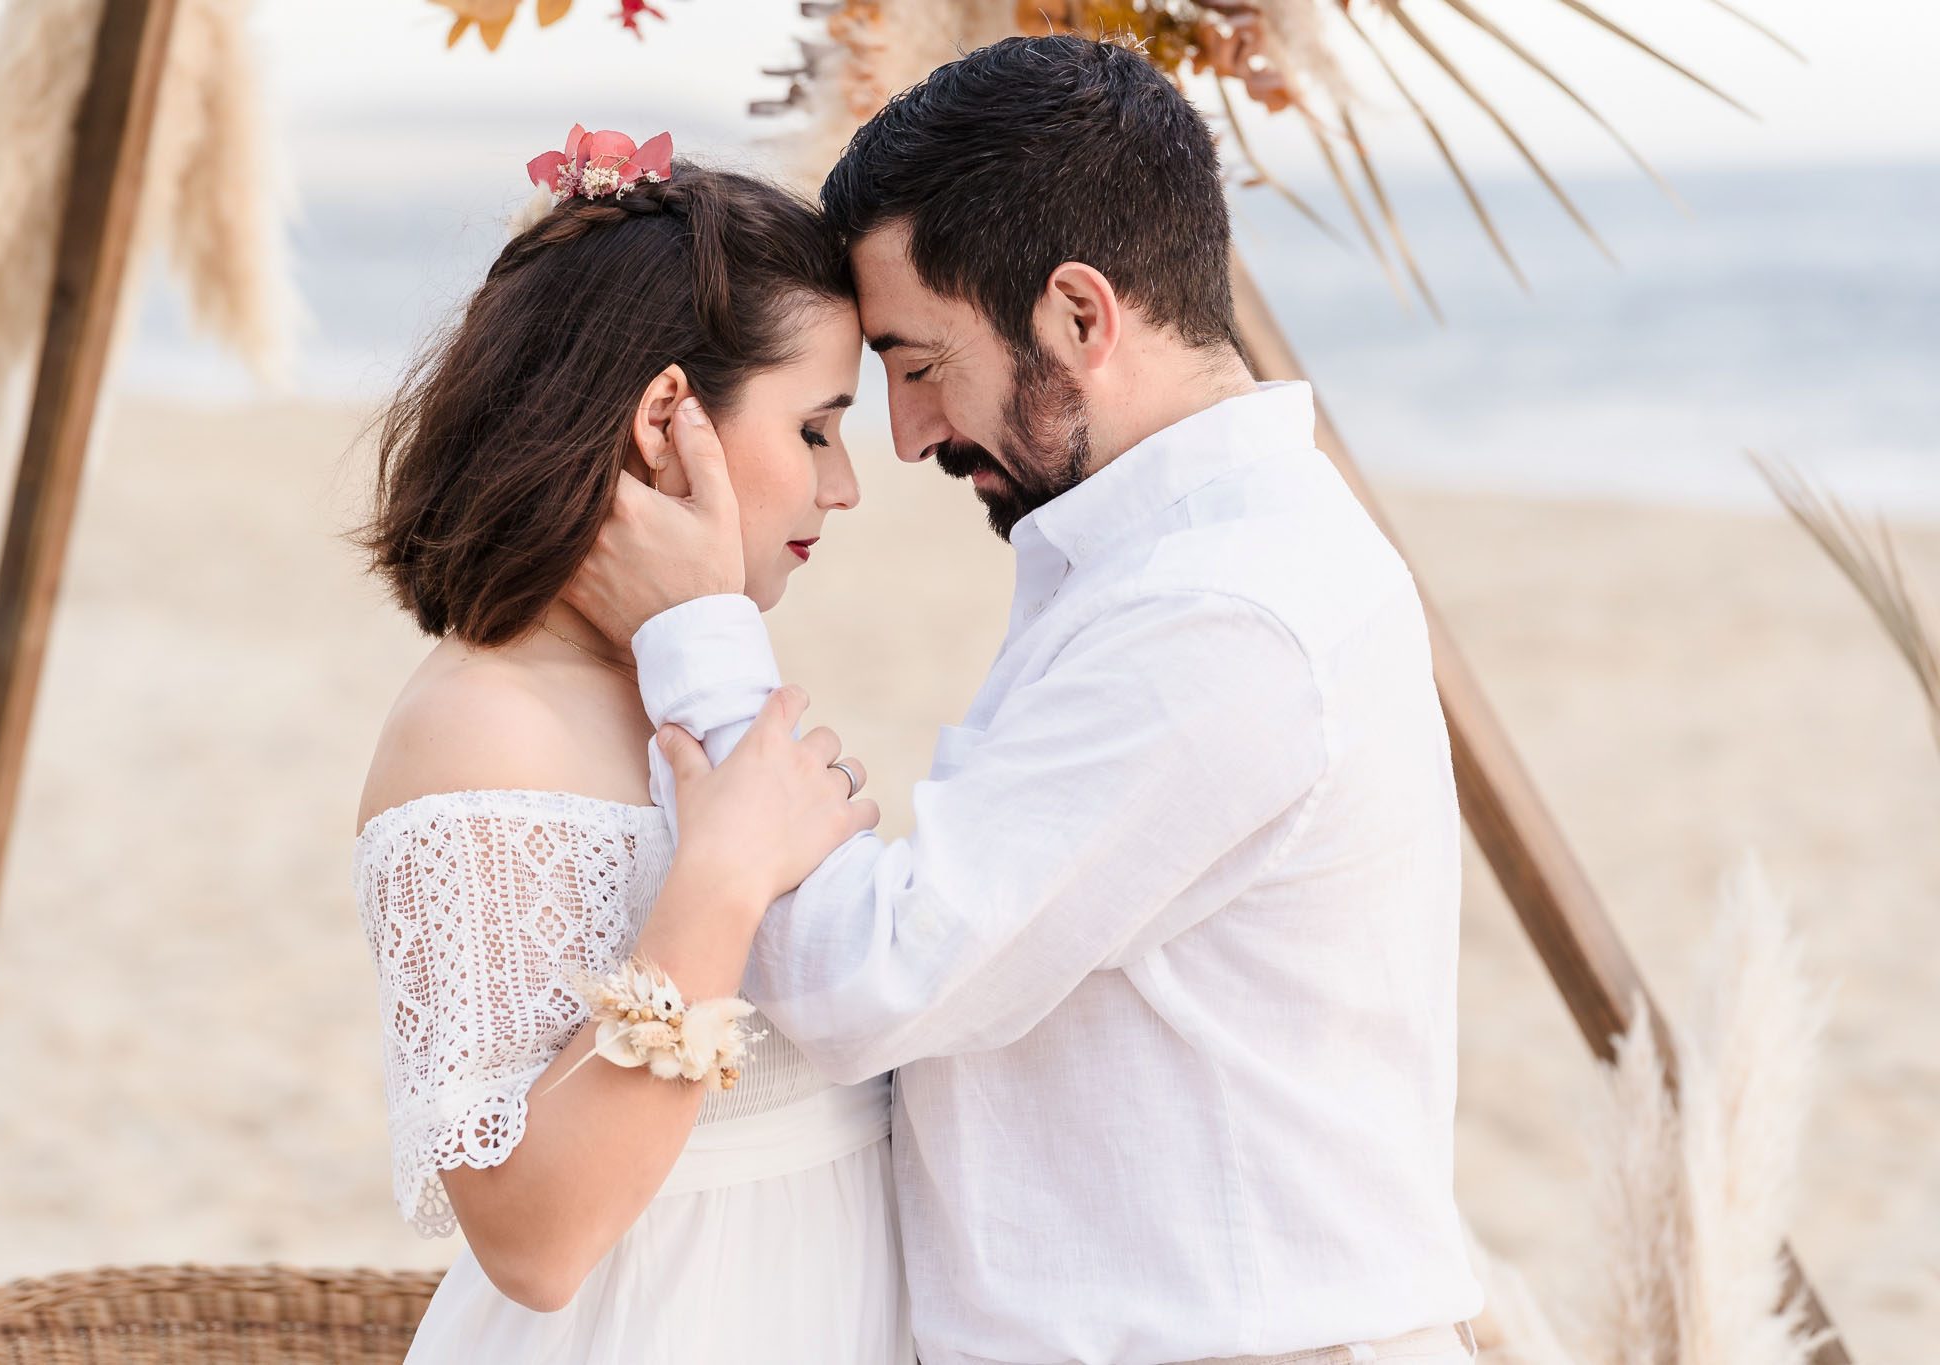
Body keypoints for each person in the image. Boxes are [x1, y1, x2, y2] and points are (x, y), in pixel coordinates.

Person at [570, 36, 1486, 1365]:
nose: (908, 434)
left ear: (1076, 315)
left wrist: (695, 627)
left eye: (921, 361)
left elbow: (857, 980)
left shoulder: (1221, 612)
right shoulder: (1179, 559)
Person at [349, 144, 914, 1362]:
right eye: (815, 428)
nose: (846, 482)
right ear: (668, 420)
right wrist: (713, 886)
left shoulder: (680, 679)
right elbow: (535, 1243)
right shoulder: (482, 724)